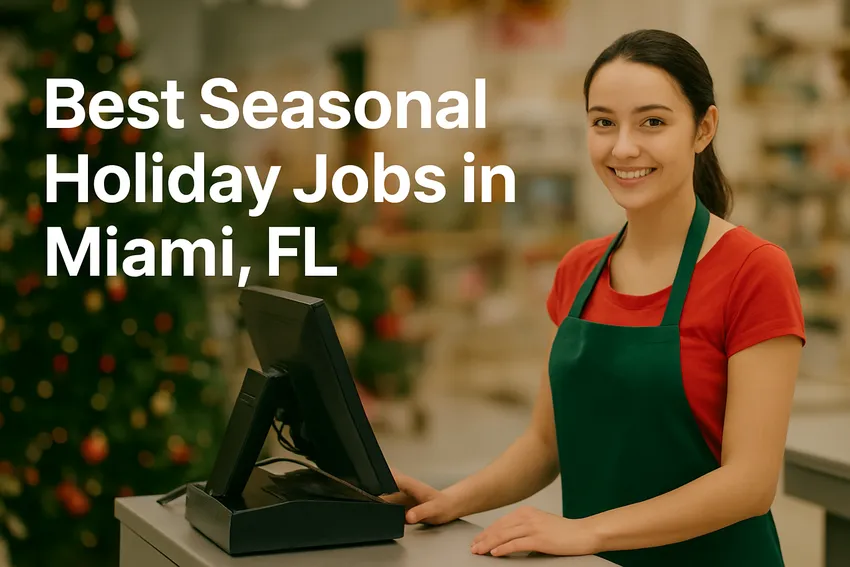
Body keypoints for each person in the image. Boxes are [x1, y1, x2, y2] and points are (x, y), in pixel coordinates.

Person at [386, 28, 806, 567]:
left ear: (704, 129)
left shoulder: (753, 270)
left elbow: (750, 483)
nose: (623, 146)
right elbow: (545, 444)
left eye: (652, 122)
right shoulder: (579, 270)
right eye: (603, 122)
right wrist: (449, 502)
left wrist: (588, 533)